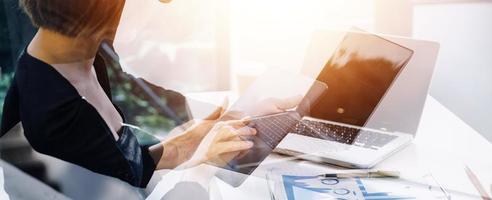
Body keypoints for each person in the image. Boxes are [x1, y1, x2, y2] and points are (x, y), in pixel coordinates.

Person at [0, 0, 260, 189]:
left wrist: (182, 145)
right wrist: (204, 167)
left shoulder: (76, 54)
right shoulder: (56, 116)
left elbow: (120, 166)